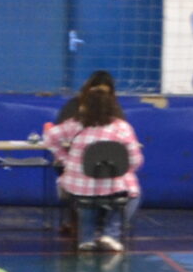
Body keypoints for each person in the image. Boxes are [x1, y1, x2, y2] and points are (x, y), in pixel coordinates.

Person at [41, 84, 142, 252]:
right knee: (133, 194)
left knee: (85, 200)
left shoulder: (74, 124)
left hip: (78, 186)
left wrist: (64, 158)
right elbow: (135, 160)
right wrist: (121, 169)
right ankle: (111, 233)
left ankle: (86, 239)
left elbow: (49, 138)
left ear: (85, 106)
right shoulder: (123, 127)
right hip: (113, 186)